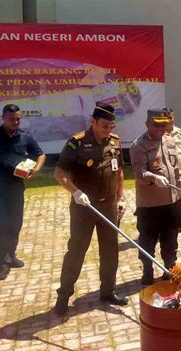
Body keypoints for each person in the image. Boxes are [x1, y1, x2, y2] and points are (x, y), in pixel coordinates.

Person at [53, 102, 128, 316]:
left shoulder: (114, 142)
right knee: (76, 250)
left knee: (110, 250)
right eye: (104, 126)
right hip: (83, 207)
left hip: (109, 206)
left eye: (111, 126)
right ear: (92, 121)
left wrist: (121, 198)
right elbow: (60, 174)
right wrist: (75, 192)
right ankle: (64, 295)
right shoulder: (76, 143)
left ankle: (108, 291)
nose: (108, 130)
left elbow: (119, 171)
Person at [0, 104, 45, 281]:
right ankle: (3, 263)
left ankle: (11, 255)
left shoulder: (25, 137)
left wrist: (36, 170)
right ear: (3, 118)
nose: (15, 122)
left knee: (15, 224)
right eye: (12, 119)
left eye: (18, 118)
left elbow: (40, 154)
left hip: (16, 187)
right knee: (0, 226)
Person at [130, 109, 181, 285]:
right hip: (150, 204)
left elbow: (178, 168)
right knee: (148, 239)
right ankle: (147, 270)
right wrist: (153, 177)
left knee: (170, 239)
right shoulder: (139, 145)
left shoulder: (171, 140)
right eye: (156, 125)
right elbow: (139, 173)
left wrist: (180, 191)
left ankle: (170, 267)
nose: (161, 129)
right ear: (147, 124)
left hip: (171, 201)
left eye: (163, 125)